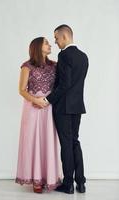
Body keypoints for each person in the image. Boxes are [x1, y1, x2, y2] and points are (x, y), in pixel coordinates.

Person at [34, 25, 89, 194]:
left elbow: (64, 84)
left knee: (66, 144)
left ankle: (67, 185)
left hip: (63, 108)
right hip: (77, 106)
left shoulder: (64, 55)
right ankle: (80, 183)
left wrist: (47, 99)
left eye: (57, 39)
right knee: (74, 142)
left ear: (64, 36)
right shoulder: (83, 56)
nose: (56, 43)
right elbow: (75, 84)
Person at [15, 37, 62, 193]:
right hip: (33, 108)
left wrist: (47, 101)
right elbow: (21, 90)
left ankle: (49, 178)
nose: (50, 45)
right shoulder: (27, 66)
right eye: (46, 42)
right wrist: (36, 100)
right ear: (37, 47)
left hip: (49, 108)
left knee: (48, 141)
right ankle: (35, 180)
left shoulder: (54, 65)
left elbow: (60, 86)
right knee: (33, 141)